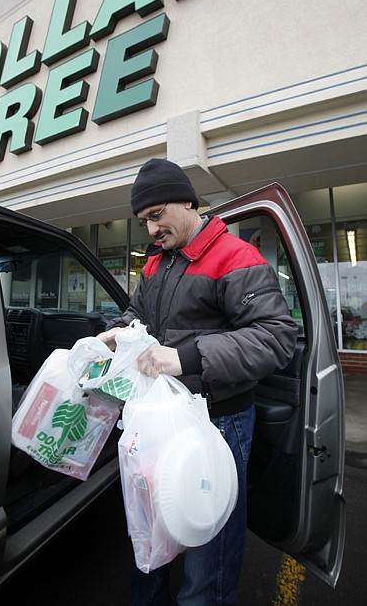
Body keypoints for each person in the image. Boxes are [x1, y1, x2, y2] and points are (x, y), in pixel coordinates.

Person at [97, 158, 298, 606]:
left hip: (220, 422)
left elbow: (276, 337)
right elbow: (139, 316)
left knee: (211, 543)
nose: (150, 230)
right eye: (144, 220)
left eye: (156, 215)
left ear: (187, 201)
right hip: (165, 418)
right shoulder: (157, 264)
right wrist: (116, 331)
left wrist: (184, 357)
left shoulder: (235, 256)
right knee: (157, 523)